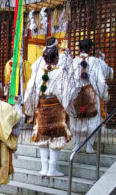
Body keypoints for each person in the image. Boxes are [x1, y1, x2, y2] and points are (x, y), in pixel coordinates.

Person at [23, 37, 76, 177]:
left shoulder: (37, 72)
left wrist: (31, 108)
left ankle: (44, 168)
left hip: (41, 108)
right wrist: (69, 108)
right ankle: (52, 169)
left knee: (42, 136)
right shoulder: (60, 72)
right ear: (56, 57)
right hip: (57, 108)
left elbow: (30, 92)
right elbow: (66, 93)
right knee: (56, 137)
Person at [70, 39, 110, 153]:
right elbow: (101, 81)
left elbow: (69, 80)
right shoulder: (95, 61)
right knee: (92, 120)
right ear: (91, 49)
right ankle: (89, 146)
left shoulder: (73, 62)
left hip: (76, 94)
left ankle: (76, 144)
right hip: (91, 93)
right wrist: (105, 95)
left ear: (79, 49)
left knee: (76, 119)